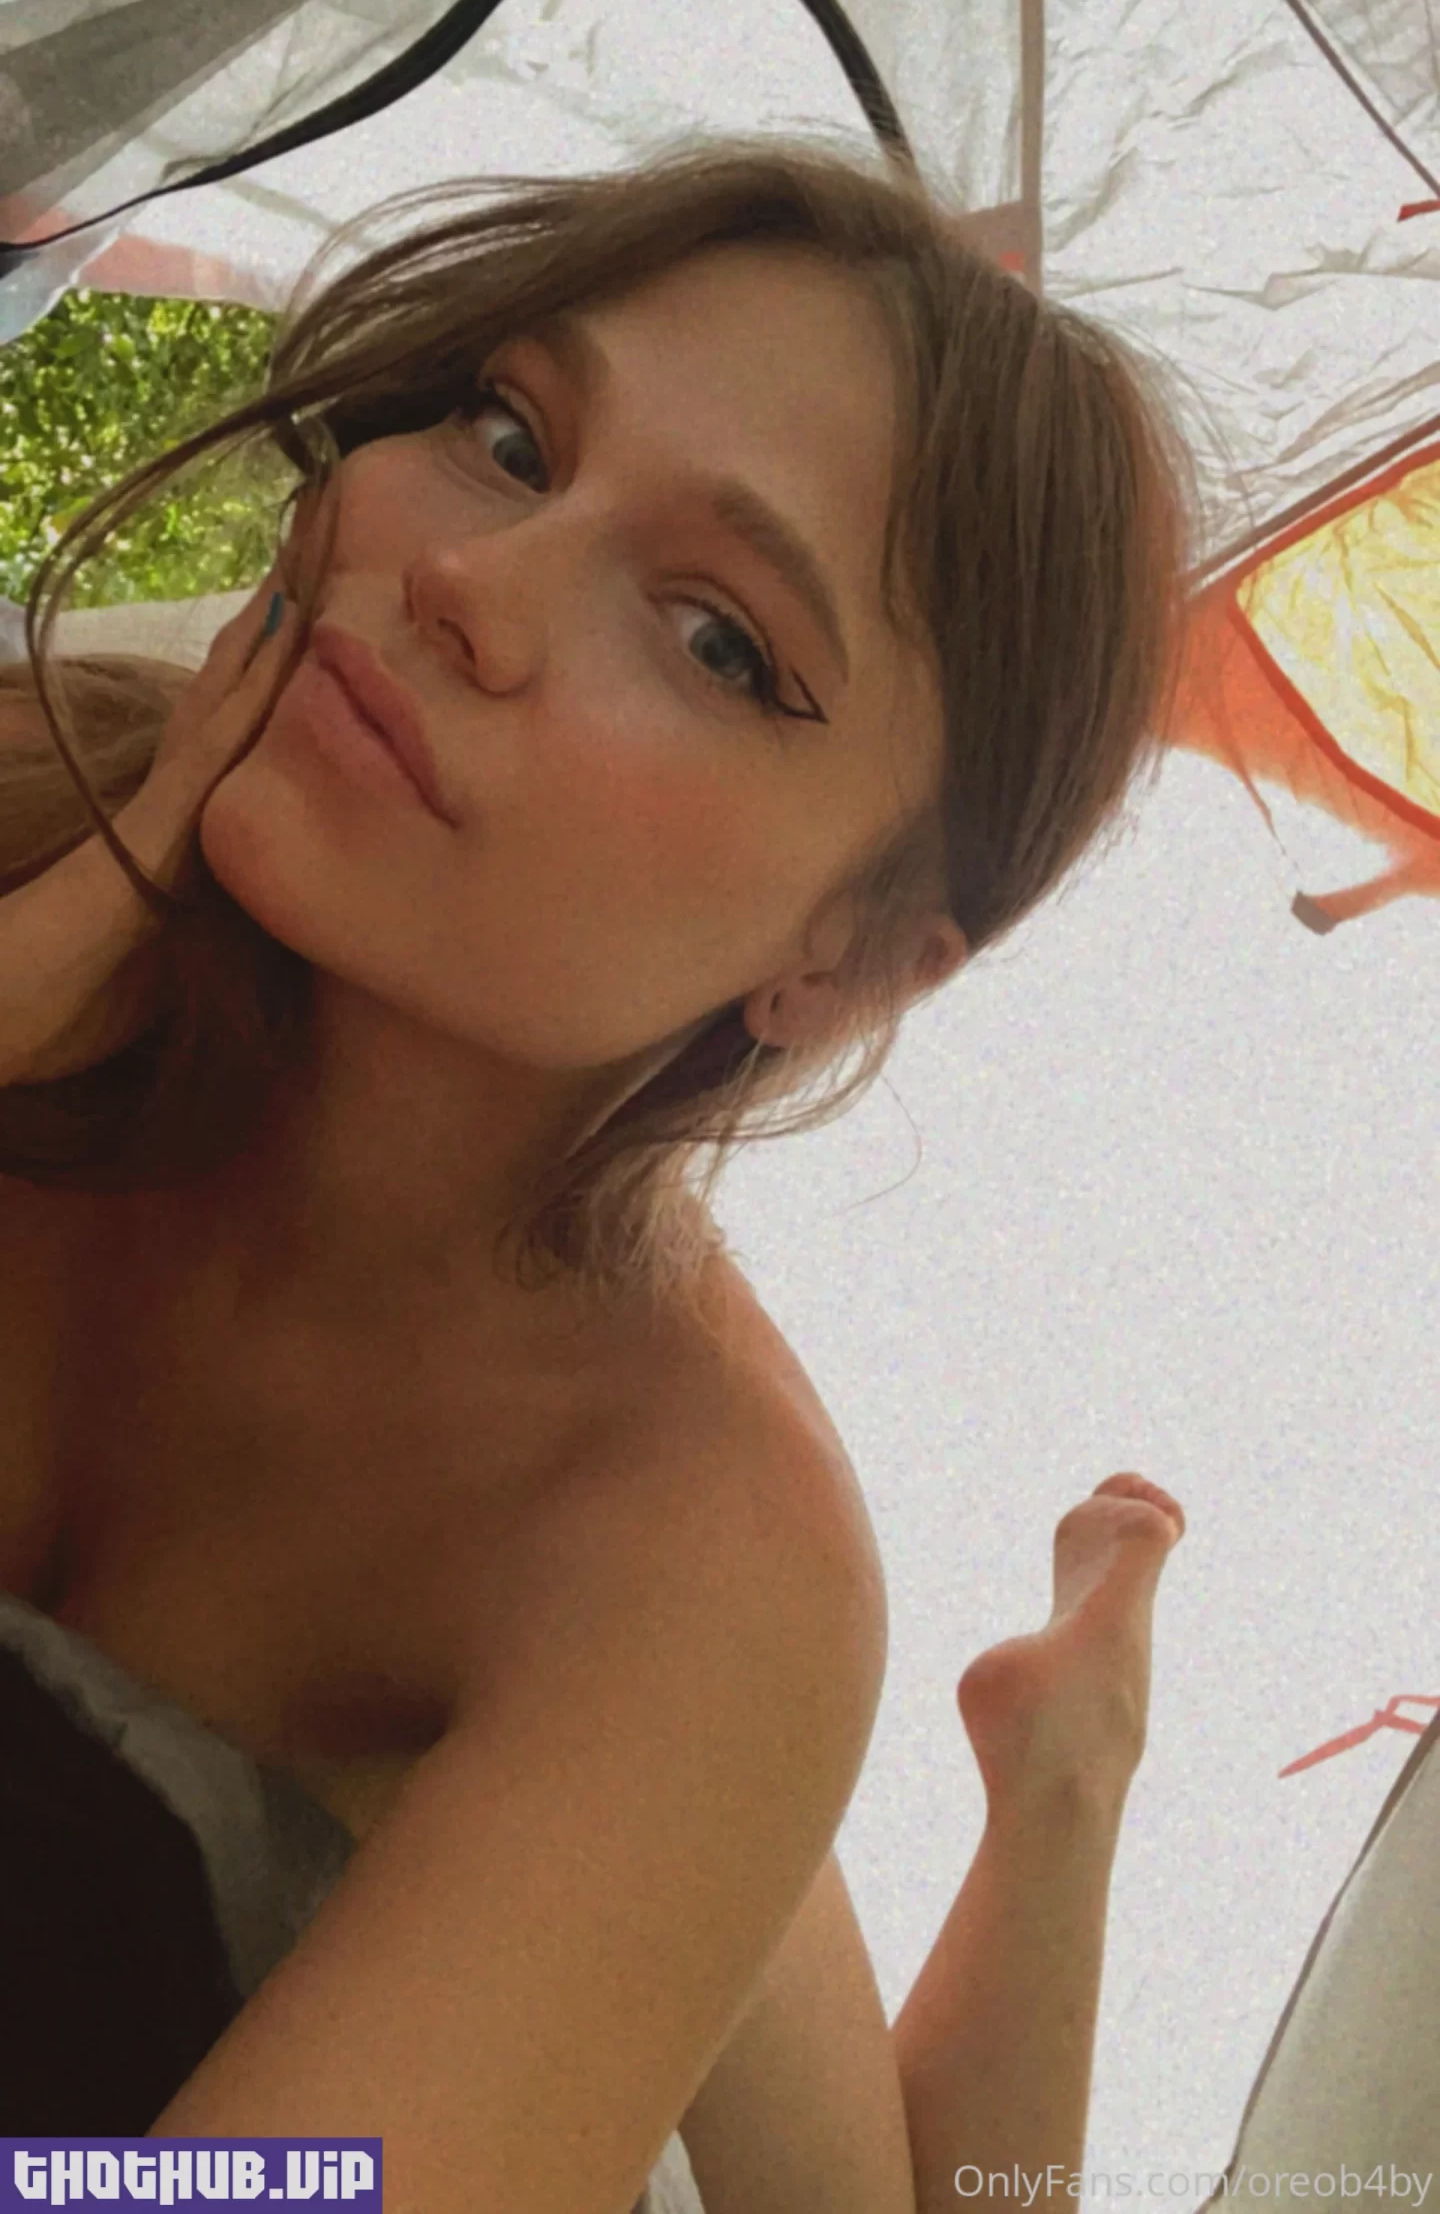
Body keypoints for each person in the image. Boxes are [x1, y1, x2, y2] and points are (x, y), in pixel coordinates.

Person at [0, 132, 1203, 2203]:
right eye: (508, 435)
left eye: (720, 639)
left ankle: (1065, 1781)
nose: (466, 584)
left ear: (848, 960)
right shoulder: (40, 801)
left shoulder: (694, 1541)